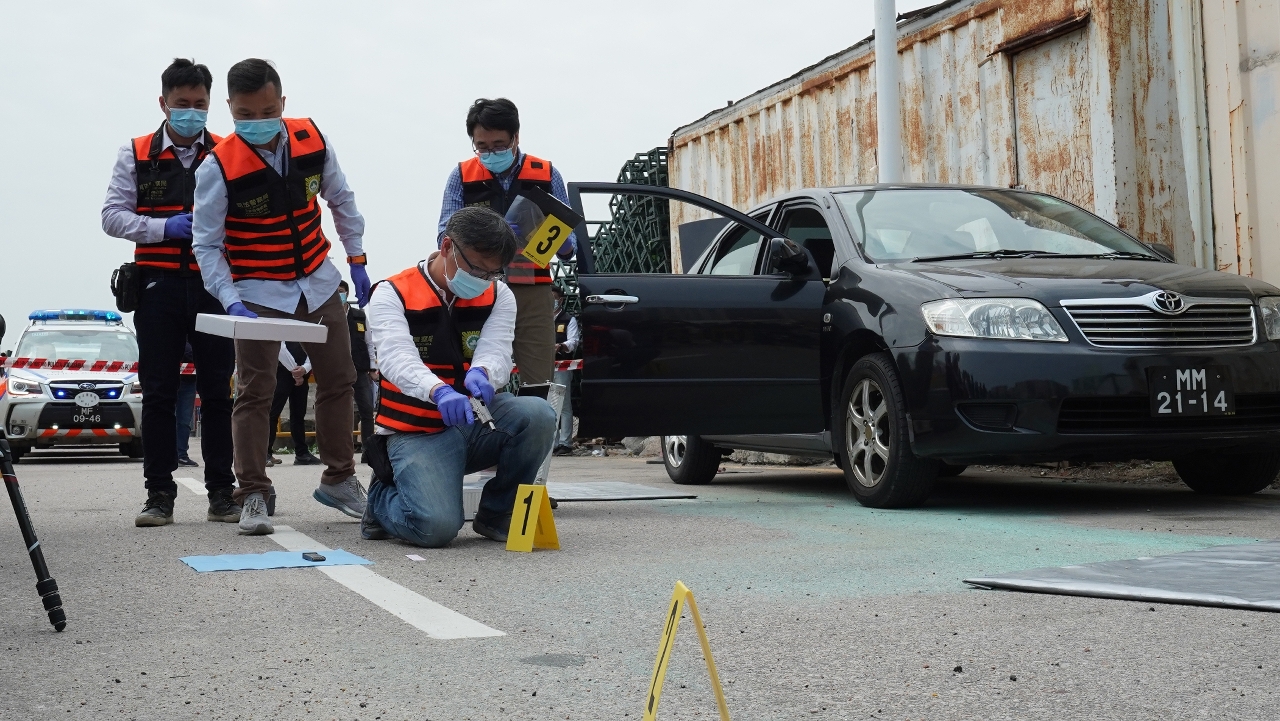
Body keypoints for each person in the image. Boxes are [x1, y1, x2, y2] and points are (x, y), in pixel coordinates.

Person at [193, 58, 370, 535]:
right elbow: (206, 244)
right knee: (255, 389)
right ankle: (252, 492)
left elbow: (341, 199)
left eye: (268, 112)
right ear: (229, 108)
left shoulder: (312, 138)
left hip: (317, 279)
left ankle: (340, 478)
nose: (258, 122)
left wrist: (356, 258)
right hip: (257, 289)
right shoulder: (217, 166)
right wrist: (229, 298)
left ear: (283, 102)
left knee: (340, 378)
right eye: (245, 115)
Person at [363, 207, 556, 547]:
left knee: (538, 415)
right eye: (476, 268)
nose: (482, 280)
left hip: (472, 422)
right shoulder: (392, 292)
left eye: (492, 272)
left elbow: (497, 350)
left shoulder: (499, 294)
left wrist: (484, 372)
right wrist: (437, 391)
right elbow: (395, 358)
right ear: (447, 246)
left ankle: (498, 513)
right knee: (435, 529)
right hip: (416, 430)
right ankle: (381, 499)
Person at [102, 58, 238, 527]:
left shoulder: (227, 152)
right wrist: (164, 227)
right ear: (163, 103)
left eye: (200, 104)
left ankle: (222, 492)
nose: (192, 112)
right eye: (183, 104)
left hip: (213, 285)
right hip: (156, 286)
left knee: (217, 391)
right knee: (159, 391)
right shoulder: (135, 152)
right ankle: (159, 494)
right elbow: (112, 216)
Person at [437, 98, 575, 388]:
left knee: (540, 380)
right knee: (474, 373)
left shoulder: (546, 173)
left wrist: (551, 233)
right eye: (482, 147)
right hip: (478, 286)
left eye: (499, 145)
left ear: (516, 138)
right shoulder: (461, 176)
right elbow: (443, 237)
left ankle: (538, 415)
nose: (490, 153)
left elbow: (568, 248)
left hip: (532, 289)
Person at [339, 280, 376, 464]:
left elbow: (369, 343)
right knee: (339, 412)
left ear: (347, 293)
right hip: (337, 371)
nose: (339, 294)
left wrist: (373, 367)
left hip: (360, 370)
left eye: (341, 291)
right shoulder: (329, 316)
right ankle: (340, 451)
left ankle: (368, 451)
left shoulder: (359, 315)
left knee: (367, 410)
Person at [269, 342, 320, 465]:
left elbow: (312, 347)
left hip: (302, 372)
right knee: (272, 413)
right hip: (282, 371)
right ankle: (265, 452)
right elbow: (280, 347)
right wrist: (295, 370)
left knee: (299, 414)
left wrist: (305, 368)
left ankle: (302, 453)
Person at [550, 286, 580, 456]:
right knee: (549, 405)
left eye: (553, 298)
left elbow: (573, 341)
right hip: (545, 366)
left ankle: (565, 443)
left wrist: (561, 346)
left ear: (560, 300)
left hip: (562, 366)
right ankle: (552, 443)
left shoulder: (568, 320)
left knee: (564, 405)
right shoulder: (541, 319)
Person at [175, 342, 199, 467]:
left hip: (189, 381)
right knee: (168, 418)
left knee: (184, 420)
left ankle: (181, 454)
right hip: (171, 380)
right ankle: (172, 454)